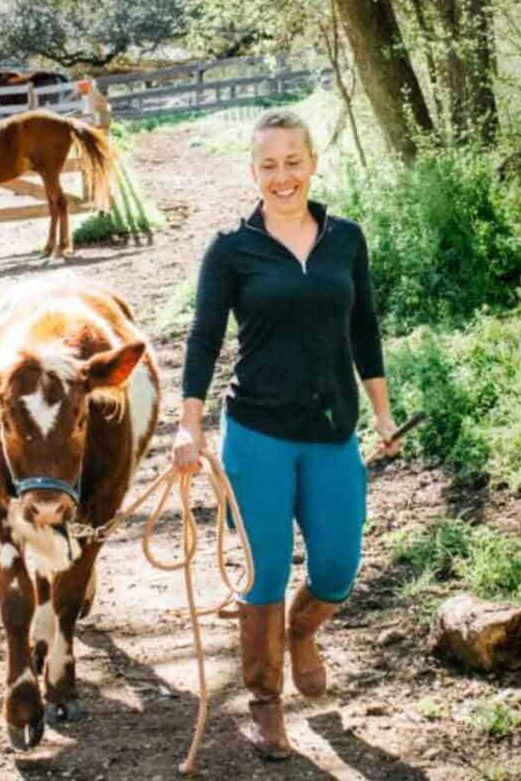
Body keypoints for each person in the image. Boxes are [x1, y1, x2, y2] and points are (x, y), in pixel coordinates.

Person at [172, 108, 399, 761]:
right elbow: (204, 339)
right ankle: (266, 700)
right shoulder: (231, 249)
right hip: (258, 434)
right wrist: (188, 428)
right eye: (268, 165)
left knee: (337, 569)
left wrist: (381, 413)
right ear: (254, 172)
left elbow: (365, 331)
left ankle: (301, 634)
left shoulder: (345, 240)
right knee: (265, 572)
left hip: (332, 434)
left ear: (313, 164)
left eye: (292, 162)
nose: (282, 176)